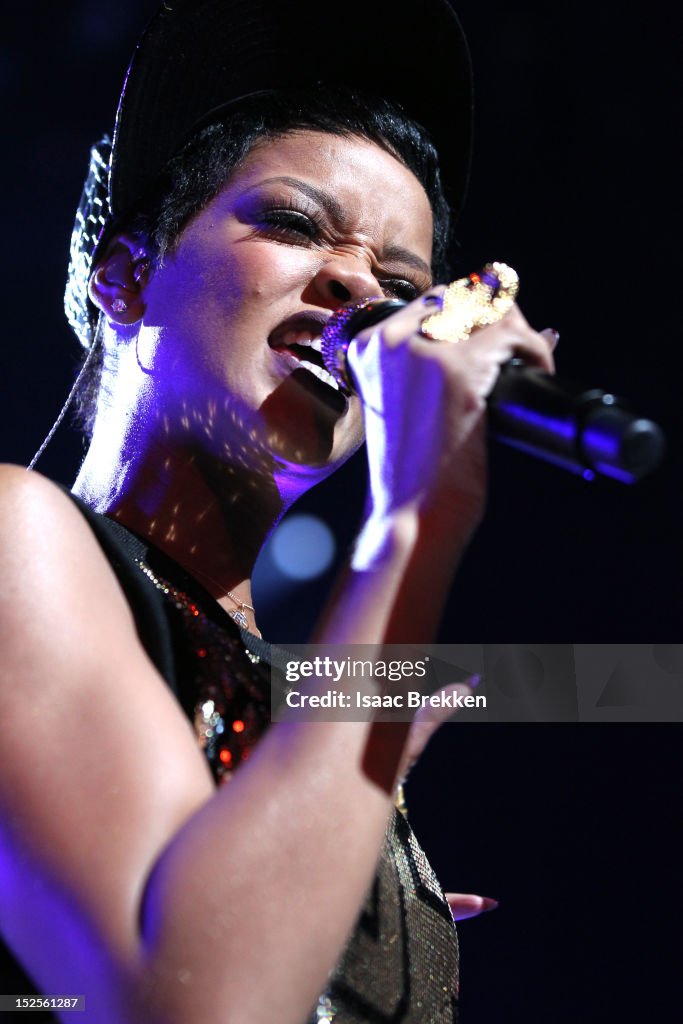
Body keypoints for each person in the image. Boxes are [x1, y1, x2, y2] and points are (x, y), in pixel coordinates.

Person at [0, 1, 556, 1021]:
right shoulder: (11, 538)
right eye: (295, 225)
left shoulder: (311, 715)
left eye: (400, 282)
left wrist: (343, 910)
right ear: (123, 273)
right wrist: (418, 519)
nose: (357, 290)